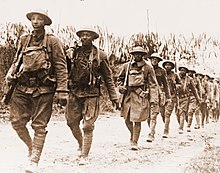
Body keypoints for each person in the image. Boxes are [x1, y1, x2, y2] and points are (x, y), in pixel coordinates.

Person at [5, 9, 68, 172]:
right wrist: (10, 74)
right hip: (22, 85)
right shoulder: (24, 39)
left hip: (44, 88)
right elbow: (17, 59)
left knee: (39, 125)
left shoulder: (53, 41)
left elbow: (61, 66)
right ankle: (31, 147)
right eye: (33, 18)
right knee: (16, 122)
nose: (35, 21)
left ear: (45, 22)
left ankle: (34, 160)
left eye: (39, 19)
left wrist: (62, 89)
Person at [65, 27, 119, 165]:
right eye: (82, 35)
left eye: (87, 35)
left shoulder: (100, 55)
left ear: (93, 38)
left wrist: (114, 97)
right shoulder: (73, 52)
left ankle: (84, 155)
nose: (84, 37)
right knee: (71, 122)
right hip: (75, 91)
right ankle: (81, 143)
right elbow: (62, 68)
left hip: (91, 93)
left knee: (88, 125)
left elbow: (108, 78)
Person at [118, 46, 159, 149]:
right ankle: (132, 135)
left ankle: (135, 141)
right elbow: (120, 79)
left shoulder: (148, 67)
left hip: (140, 96)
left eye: (139, 54)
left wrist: (153, 99)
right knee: (127, 119)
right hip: (127, 96)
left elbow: (153, 84)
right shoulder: (126, 66)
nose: (137, 56)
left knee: (137, 120)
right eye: (135, 54)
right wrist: (120, 86)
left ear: (143, 55)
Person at [147, 53, 171, 142]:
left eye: (156, 59)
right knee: (148, 116)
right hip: (147, 94)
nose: (154, 61)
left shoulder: (162, 71)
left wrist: (168, 97)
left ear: (159, 61)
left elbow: (166, 84)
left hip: (157, 94)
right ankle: (152, 130)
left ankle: (151, 134)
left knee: (154, 114)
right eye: (153, 59)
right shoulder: (146, 69)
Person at [161, 60, 182, 138]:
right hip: (162, 96)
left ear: (172, 67)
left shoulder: (175, 75)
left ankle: (165, 131)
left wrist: (176, 86)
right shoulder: (161, 73)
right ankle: (166, 126)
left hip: (172, 96)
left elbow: (180, 84)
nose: (167, 66)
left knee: (167, 114)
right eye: (166, 65)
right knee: (162, 113)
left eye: (169, 65)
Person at [177, 66, 200, 134]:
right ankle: (182, 124)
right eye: (181, 70)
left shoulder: (189, 79)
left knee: (186, 112)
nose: (182, 71)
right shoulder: (176, 77)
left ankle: (185, 127)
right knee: (177, 113)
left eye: (184, 70)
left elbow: (194, 90)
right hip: (177, 98)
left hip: (187, 97)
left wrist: (198, 98)